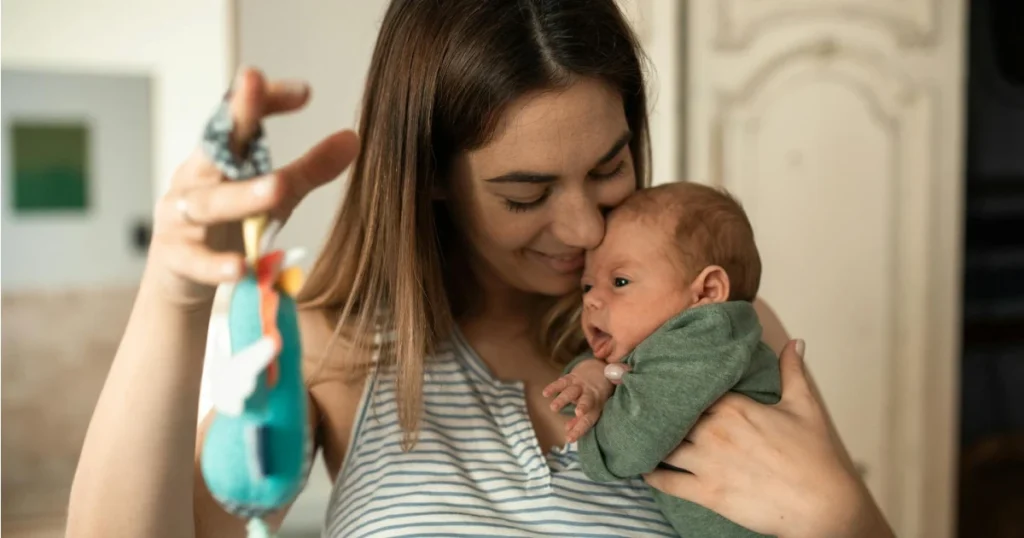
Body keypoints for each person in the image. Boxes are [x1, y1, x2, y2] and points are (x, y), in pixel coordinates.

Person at [66, 1, 895, 537]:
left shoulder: (705, 338)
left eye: (608, 167)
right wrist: (174, 294)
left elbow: (833, 520)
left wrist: (844, 515)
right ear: (428, 174)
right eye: (525, 191)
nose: (582, 226)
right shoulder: (336, 351)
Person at [543, 182, 782, 537]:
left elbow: (628, 448)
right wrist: (592, 374)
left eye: (620, 281)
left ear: (707, 292)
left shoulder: (706, 337)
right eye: (587, 286)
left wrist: (593, 444)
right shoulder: (673, 349)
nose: (592, 300)